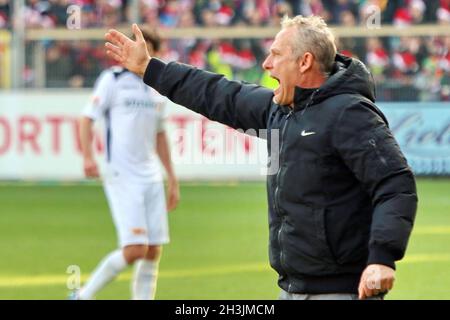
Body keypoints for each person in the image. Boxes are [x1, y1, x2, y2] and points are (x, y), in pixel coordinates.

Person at [104, 16, 418, 300]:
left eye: (276, 54)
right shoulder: (279, 110)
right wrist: (150, 68)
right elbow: (217, 93)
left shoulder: (349, 113)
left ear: (305, 61)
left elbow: (394, 183)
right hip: (291, 289)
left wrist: (381, 259)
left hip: (342, 291)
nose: (266, 64)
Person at [76, 27, 180, 300]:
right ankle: (82, 295)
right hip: (122, 173)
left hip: (151, 175)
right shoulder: (113, 79)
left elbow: (159, 135)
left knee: (154, 249)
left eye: (152, 52)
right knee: (135, 249)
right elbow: (87, 119)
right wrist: (88, 156)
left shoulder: (157, 90)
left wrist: (172, 178)